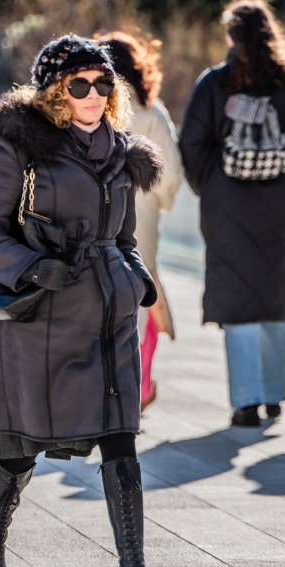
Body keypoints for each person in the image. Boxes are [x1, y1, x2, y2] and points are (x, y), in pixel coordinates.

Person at [0, 36, 167, 567]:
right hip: (42, 322)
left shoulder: (122, 152)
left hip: (111, 320)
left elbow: (124, 238)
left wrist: (139, 279)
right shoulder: (21, 150)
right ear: (55, 92)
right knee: (19, 450)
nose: (93, 94)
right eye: (80, 84)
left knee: (122, 441)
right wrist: (29, 267)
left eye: (103, 84)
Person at [179, 0, 285, 428]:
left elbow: (192, 144)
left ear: (232, 36)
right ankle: (273, 394)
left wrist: (212, 187)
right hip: (280, 209)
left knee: (237, 296)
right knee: (275, 296)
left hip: (226, 207)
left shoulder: (214, 84)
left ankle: (245, 402)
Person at [98, 32, 184, 412]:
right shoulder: (151, 112)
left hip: (96, 215)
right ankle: (140, 380)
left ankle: (109, 384)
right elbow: (171, 172)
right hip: (141, 216)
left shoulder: (92, 107)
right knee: (142, 292)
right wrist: (159, 202)